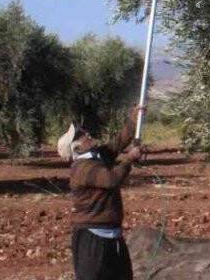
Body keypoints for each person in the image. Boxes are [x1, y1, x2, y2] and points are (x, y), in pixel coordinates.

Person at [56, 107, 145, 280]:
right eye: (81, 135)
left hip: (113, 235)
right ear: (77, 147)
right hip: (92, 239)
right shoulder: (82, 169)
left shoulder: (97, 157)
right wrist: (129, 159)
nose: (86, 134)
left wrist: (135, 120)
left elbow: (117, 143)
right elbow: (111, 179)